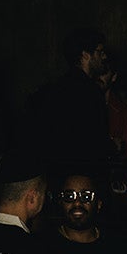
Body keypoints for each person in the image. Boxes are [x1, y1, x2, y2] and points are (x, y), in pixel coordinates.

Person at [20, 29, 112, 168]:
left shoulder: (54, 88)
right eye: (100, 52)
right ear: (85, 55)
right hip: (82, 173)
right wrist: (111, 145)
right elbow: (92, 141)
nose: (104, 57)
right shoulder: (90, 92)